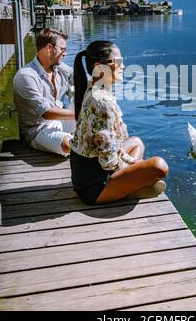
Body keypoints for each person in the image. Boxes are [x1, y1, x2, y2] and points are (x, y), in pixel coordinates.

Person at [70, 40, 169, 205]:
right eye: (118, 61)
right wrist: (136, 165)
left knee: (137, 142)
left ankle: (132, 186)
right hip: (94, 186)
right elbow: (108, 162)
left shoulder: (93, 88)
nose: (123, 66)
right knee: (159, 166)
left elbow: (110, 146)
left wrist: (133, 163)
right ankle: (132, 189)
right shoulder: (102, 102)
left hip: (84, 173)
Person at [13, 28, 76, 156]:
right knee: (68, 145)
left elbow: (82, 80)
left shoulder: (59, 67)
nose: (65, 53)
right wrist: (81, 114)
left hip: (62, 120)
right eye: (62, 49)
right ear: (49, 48)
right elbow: (47, 113)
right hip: (38, 130)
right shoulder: (26, 76)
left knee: (91, 92)